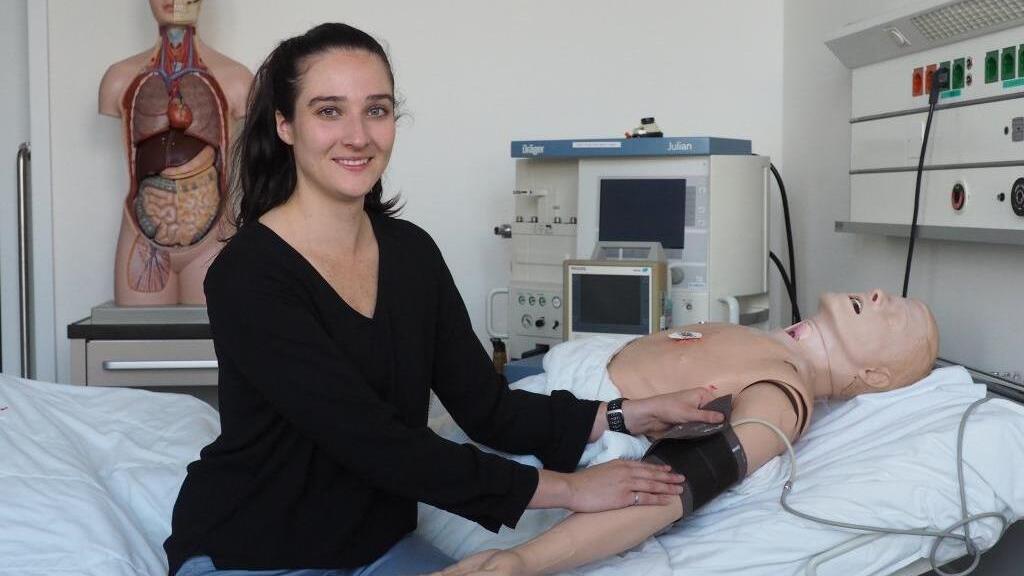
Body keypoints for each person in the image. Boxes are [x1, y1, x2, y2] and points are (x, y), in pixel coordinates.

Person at [163, 22, 726, 576]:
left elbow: (488, 407)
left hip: (375, 548)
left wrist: (628, 415)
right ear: (285, 125)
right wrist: (570, 491)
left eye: (376, 110)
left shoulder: (410, 253)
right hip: (252, 553)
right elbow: (374, 442)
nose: (358, 135)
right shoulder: (249, 276)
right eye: (329, 110)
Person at [438, 289, 940, 576]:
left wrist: (521, 561)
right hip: (530, 401)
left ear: (875, 377)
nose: (879, 294)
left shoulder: (783, 395)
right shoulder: (770, 347)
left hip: (548, 430)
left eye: (895, 312)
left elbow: (670, 484)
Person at [99, 0, 252, 305]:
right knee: (141, 345)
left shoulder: (237, 80)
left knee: (217, 346)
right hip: (143, 237)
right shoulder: (118, 79)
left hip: (214, 238)